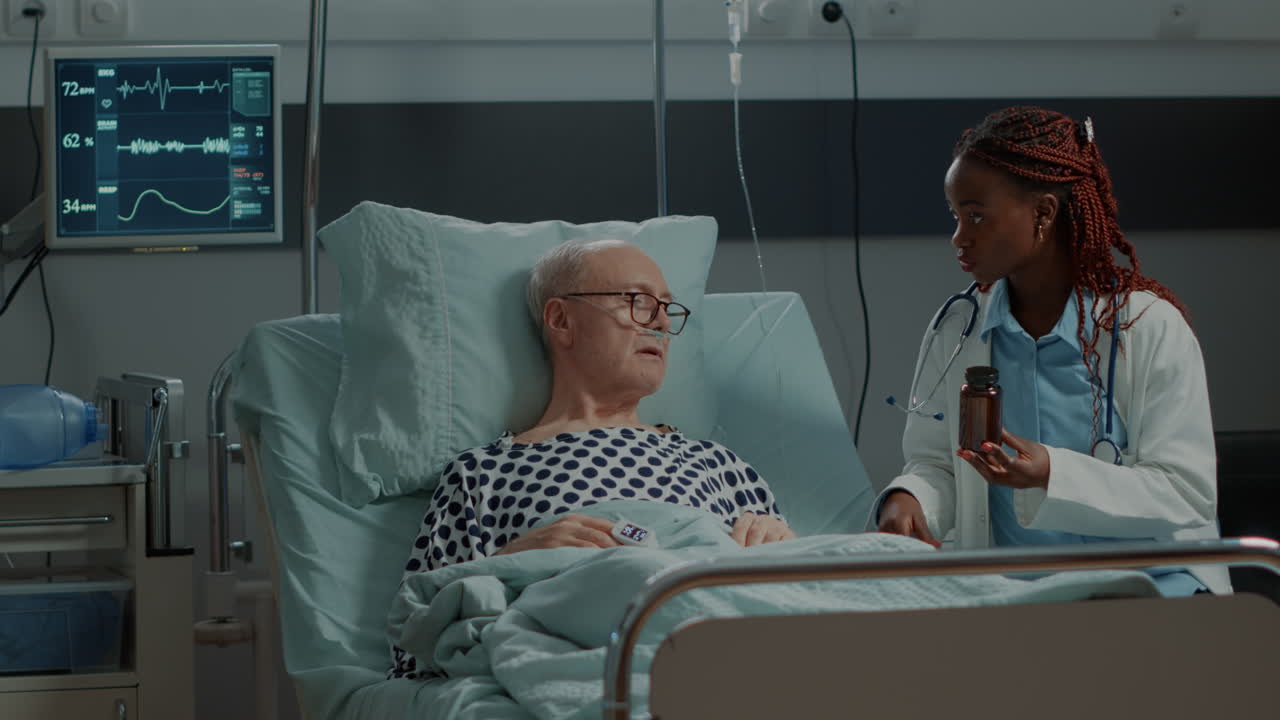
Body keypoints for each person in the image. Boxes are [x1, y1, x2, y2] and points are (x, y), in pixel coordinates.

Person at [390, 238, 795, 679]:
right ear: (561, 320)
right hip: (599, 657)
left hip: (726, 643)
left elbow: (804, 601)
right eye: (638, 301)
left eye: (666, 307)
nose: (662, 322)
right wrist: (510, 561)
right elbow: (417, 646)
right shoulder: (482, 473)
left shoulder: (720, 465)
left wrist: (784, 549)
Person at [874, 106, 1228, 596]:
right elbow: (936, 463)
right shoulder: (958, 328)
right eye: (956, 217)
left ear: (1043, 213)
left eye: (976, 216)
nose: (959, 237)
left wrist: (1051, 473)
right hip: (1017, 592)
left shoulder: (1148, 326)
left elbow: (1187, 492)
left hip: (1152, 582)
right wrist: (909, 497)